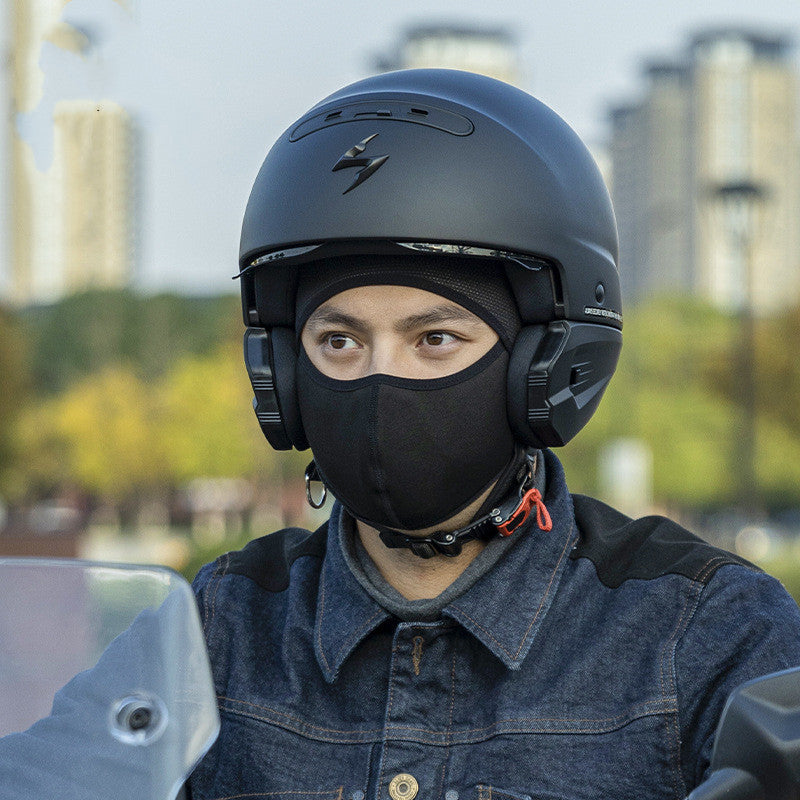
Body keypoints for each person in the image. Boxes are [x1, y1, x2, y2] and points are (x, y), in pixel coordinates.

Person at [188, 69, 800, 800]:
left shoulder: (704, 631)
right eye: (340, 342)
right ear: (284, 374)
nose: (382, 382)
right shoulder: (218, 627)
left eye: (435, 337)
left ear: (546, 365)